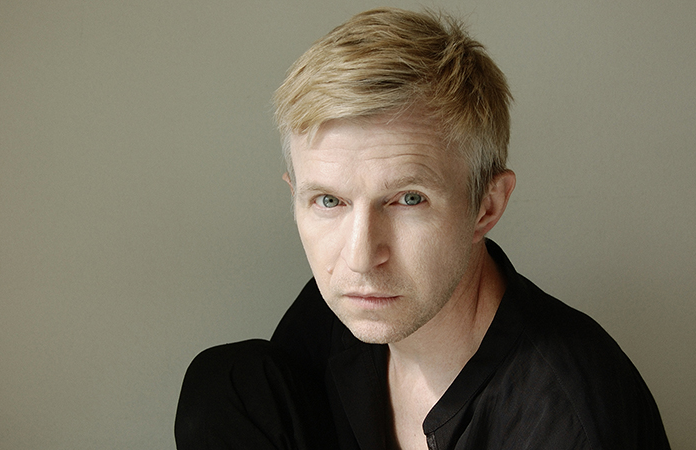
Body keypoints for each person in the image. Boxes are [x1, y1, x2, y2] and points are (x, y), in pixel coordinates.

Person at [175, 7, 670, 450]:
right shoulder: (344, 308)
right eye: (329, 201)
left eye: (408, 199)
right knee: (226, 383)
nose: (360, 257)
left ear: (486, 207)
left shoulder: (567, 421)